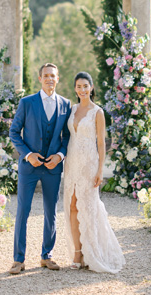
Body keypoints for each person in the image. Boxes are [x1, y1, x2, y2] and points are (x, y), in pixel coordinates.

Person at [7, 62, 72, 275]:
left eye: (53, 75)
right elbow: (14, 132)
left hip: (53, 168)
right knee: (23, 211)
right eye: (46, 75)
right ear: (39, 78)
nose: (49, 79)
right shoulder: (27, 103)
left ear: (58, 78)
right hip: (29, 167)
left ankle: (47, 255)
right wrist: (28, 154)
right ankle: (18, 259)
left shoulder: (66, 104)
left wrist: (60, 156)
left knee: (51, 213)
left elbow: (67, 136)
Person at [62, 71, 125, 273]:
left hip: (89, 164)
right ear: (75, 89)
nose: (82, 90)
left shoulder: (97, 112)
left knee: (88, 208)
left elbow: (100, 143)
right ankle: (77, 253)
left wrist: (100, 170)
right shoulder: (71, 110)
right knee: (71, 205)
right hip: (72, 163)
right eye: (78, 87)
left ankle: (93, 251)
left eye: (85, 86)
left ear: (91, 88)